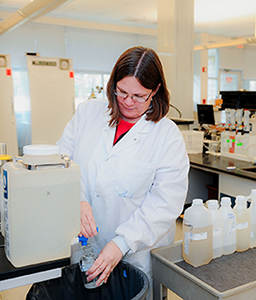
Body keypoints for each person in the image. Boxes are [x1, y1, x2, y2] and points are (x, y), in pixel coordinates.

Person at [57, 46, 189, 289]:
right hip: (84, 244)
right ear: (112, 85)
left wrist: (122, 243)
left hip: (135, 253)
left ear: (156, 90)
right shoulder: (88, 113)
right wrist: (77, 199)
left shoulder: (167, 136)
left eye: (139, 96)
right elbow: (62, 163)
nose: (129, 102)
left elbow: (165, 204)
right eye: (122, 92)